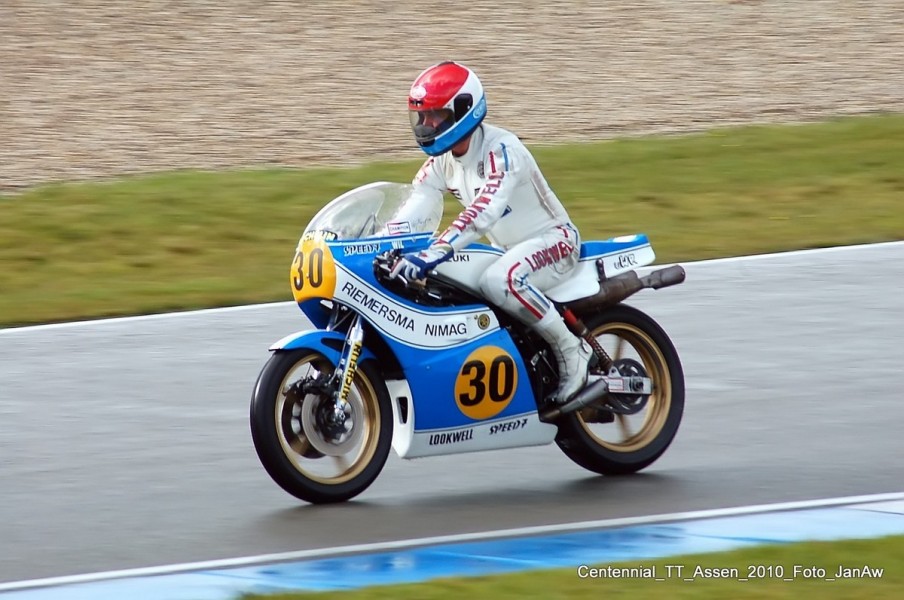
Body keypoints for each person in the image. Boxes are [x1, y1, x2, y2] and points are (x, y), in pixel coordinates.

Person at [391, 61, 592, 405]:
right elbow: (417, 203)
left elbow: (484, 211)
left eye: (434, 116)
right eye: (421, 118)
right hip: (508, 250)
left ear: (464, 110)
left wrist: (437, 249)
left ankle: (572, 349)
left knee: (501, 280)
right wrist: (386, 243)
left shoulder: (502, 151)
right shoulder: (444, 160)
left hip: (554, 242)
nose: (425, 126)